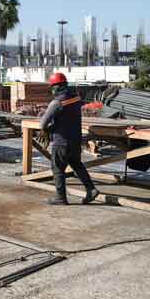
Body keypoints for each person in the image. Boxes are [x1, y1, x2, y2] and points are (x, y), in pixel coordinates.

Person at [38, 72, 100, 205]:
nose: (52, 90)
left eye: (52, 87)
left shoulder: (56, 103)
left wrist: (46, 127)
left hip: (61, 141)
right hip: (75, 140)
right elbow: (67, 118)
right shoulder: (76, 99)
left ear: (56, 87)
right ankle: (91, 189)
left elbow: (42, 124)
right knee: (77, 165)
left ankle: (61, 198)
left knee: (57, 169)